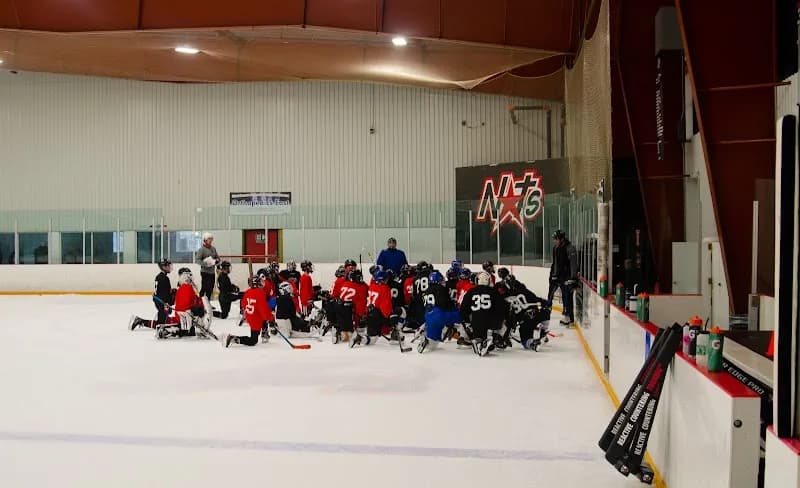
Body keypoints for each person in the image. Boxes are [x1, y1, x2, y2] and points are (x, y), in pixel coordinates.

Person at [460, 271, 506, 356]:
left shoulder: (471, 291)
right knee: (503, 320)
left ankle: (473, 339)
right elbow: (502, 308)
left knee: (467, 322)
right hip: (491, 325)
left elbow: (463, 309)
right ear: (488, 281)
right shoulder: (493, 292)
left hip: (475, 324)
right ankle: (495, 339)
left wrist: (467, 324)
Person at [416, 270, 461, 353]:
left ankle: (427, 341)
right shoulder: (441, 289)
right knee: (460, 316)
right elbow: (446, 304)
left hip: (428, 317)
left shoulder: (426, 291)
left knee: (433, 344)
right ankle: (460, 336)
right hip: (439, 315)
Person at [503, 274, 551, 351]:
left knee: (525, 341)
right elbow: (536, 299)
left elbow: (509, 318)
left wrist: (507, 333)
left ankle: (532, 344)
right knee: (546, 311)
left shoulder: (505, 296)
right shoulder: (524, 290)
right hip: (535, 315)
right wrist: (545, 302)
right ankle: (543, 331)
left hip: (524, 322)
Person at [223, 276, 271, 348]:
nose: (261, 283)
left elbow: (243, 304)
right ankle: (233, 338)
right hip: (256, 320)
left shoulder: (248, 291)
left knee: (263, 319)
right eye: (259, 282)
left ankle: (264, 333)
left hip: (250, 317)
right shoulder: (261, 293)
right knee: (253, 341)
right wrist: (271, 319)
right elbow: (263, 309)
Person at [129, 259, 174, 330]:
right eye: (168, 266)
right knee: (161, 325)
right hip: (162, 303)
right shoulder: (164, 278)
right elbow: (165, 294)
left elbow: (160, 291)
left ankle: (140, 321)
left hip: (159, 302)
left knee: (162, 323)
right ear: (164, 267)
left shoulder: (159, 276)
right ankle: (140, 321)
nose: (170, 267)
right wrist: (168, 304)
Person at [353, 270, 394, 346]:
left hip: (369, 314)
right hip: (377, 315)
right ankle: (360, 339)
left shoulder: (372, 286)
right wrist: (389, 320)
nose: (387, 280)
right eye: (385, 279)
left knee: (371, 334)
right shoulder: (385, 288)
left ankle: (362, 337)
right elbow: (385, 308)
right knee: (373, 339)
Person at [548, 229, 578, 326]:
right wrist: (553, 274)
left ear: (561, 239)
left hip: (566, 277)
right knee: (550, 295)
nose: (554, 241)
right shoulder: (555, 248)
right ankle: (546, 314)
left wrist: (573, 277)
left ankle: (569, 318)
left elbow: (573, 264)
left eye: (556, 239)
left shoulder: (569, 248)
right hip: (557, 277)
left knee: (567, 297)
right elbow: (555, 263)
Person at [336, 269, 368, 345]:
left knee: (343, 324)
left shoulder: (345, 284)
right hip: (348, 310)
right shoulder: (361, 287)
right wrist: (362, 315)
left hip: (338, 306)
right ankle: (348, 334)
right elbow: (361, 304)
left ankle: (341, 333)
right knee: (351, 325)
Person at [195, 232, 219, 300]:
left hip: (212, 272)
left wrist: (217, 261)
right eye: (209, 239)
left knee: (210, 288)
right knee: (205, 287)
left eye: (211, 239)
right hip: (205, 272)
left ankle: (208, 303)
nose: (211, 240)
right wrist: (206, 264)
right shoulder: (201, 249)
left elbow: (217, 258)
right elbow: (197, 260)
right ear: (205, 240)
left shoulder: (213, 249)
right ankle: (199, 302)